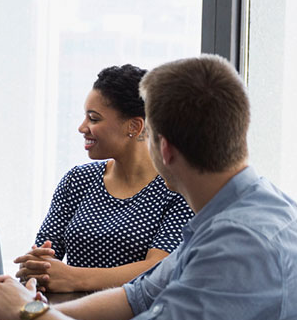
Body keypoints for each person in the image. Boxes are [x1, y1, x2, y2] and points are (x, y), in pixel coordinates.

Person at [0, 54, 297, 320]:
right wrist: (32, 310)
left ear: (163, 148)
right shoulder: (241, 210)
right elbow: (136, 297)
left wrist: (29, 316)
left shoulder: (243, 241)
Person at [14, 64, 193, 293]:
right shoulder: (77, 180)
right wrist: (34, 266)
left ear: (134, 126)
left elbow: (159, 270)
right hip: (64, 316)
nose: (82, 127)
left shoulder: (177, 188)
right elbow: (43, 255)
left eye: (94, 119)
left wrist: (74, 278)